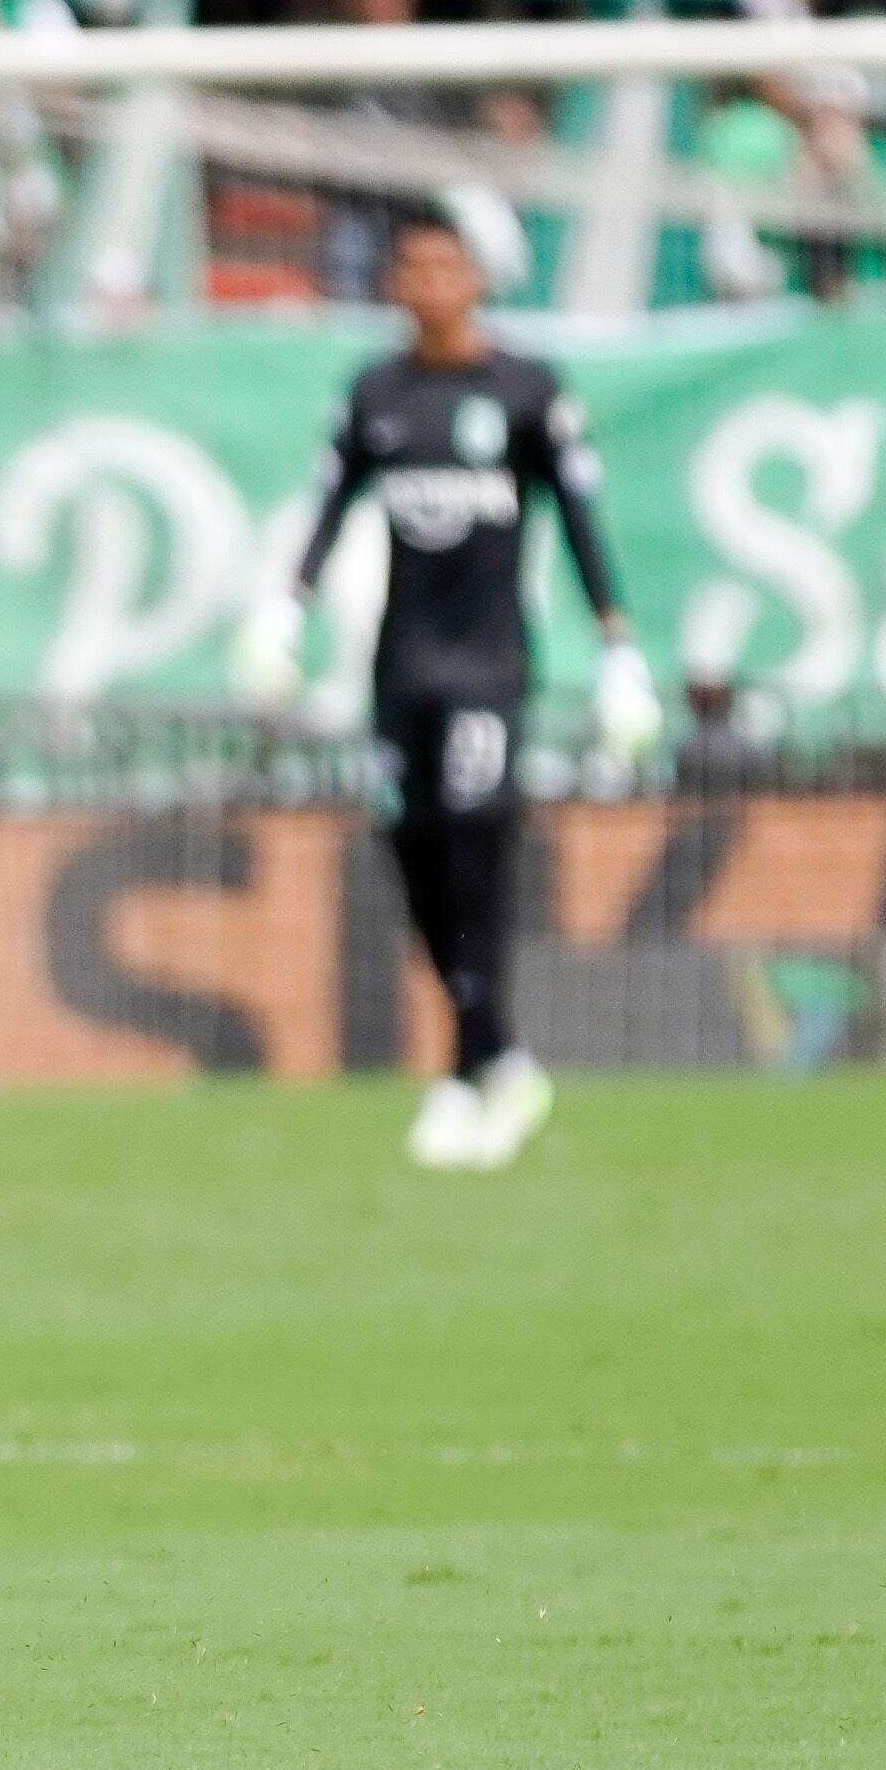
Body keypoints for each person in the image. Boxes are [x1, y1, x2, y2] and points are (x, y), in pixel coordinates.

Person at [234, 211, 660, 1170]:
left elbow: (581, 518)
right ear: (394, 282)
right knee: (413, 849)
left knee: (476, 840)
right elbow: (329, 505)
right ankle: (500, 1053)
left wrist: (618, 646)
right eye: (413, 266)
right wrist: (285, 608)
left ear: (477, 278)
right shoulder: (378, 395)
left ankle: (465, 1073)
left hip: (489, 664)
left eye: (446, 265)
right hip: (402, 664)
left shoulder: (526, 390)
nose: (429, 282)